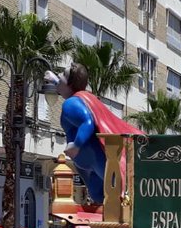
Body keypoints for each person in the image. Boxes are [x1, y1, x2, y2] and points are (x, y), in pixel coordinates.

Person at [58, 62, 142, 203]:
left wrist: (76, 145)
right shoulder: (82, 97)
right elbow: (61, 86)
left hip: (95, 157)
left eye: (62, 74)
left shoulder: (70, 104)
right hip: (89, 161)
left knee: (118, 191)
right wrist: (54, 79)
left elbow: (87, 122)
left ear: (69, 83)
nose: (59, 76)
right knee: (99, 195)